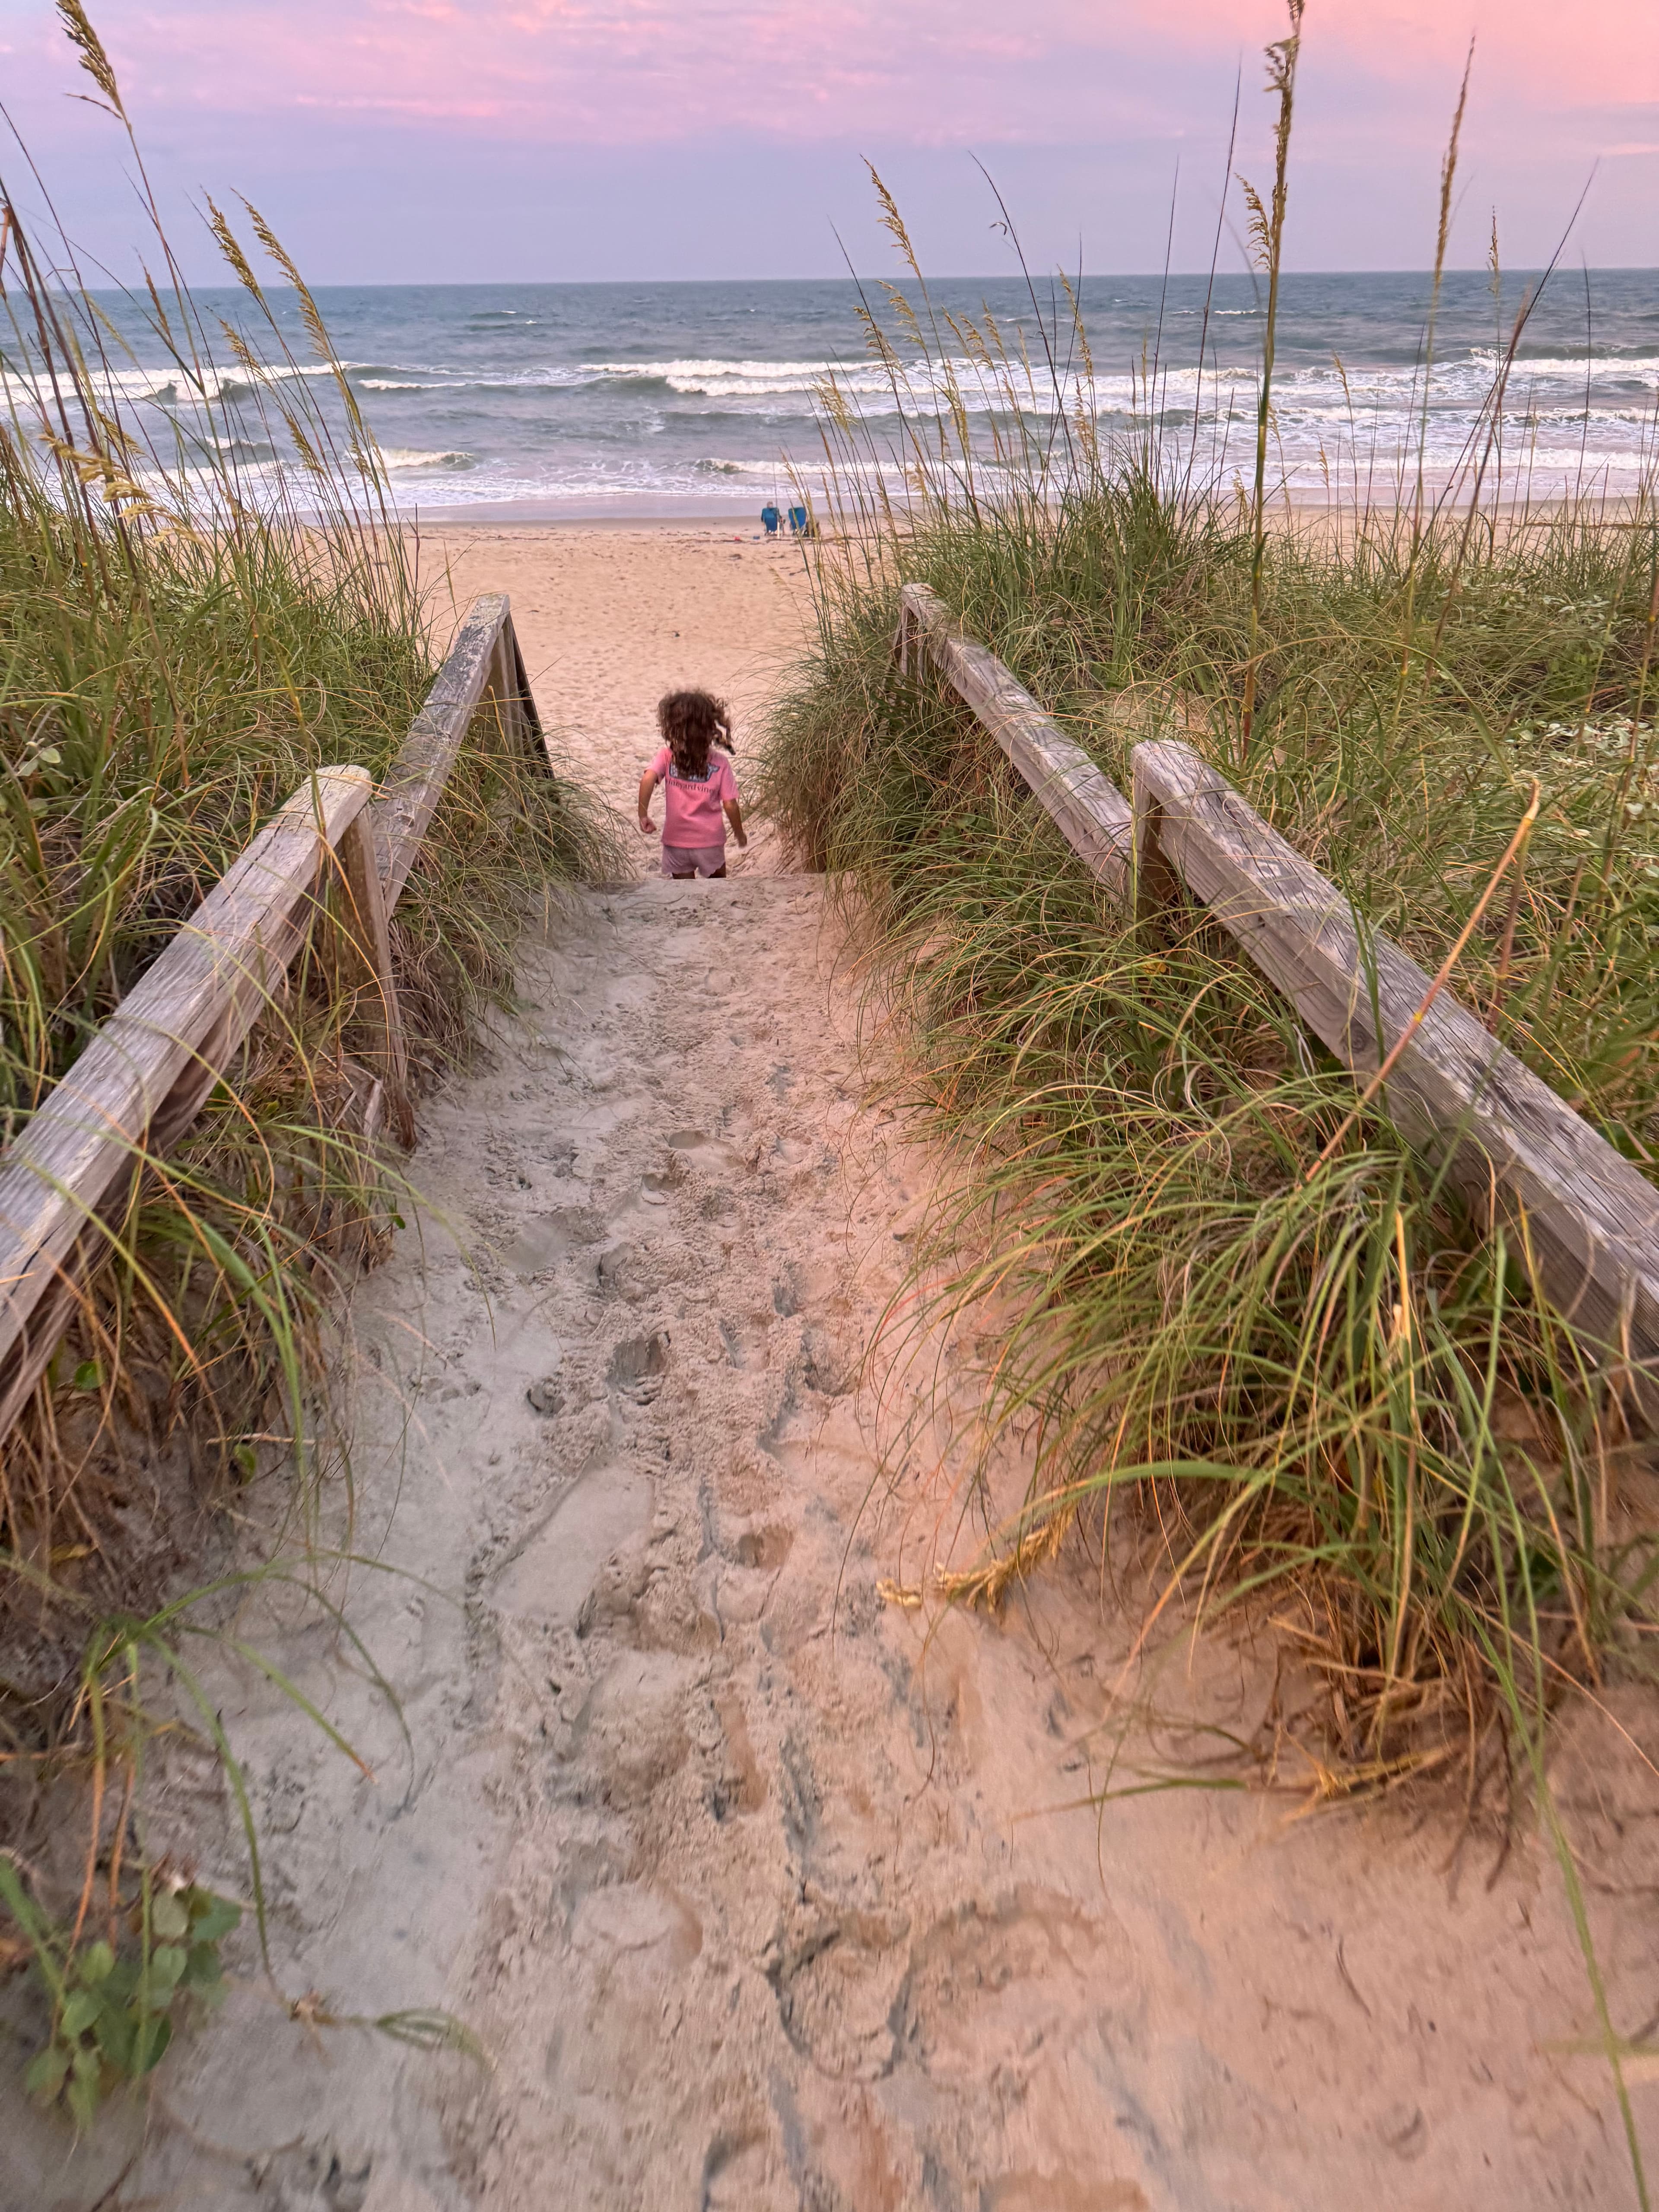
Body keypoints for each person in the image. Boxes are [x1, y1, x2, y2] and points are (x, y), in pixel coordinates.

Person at [638, 688, 747, 879]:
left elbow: (648, 779)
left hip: (677, 842)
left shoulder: (666, 757)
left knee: (685, 895)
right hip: (710, 843)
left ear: (672, 728)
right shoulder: (720, 764)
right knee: (718, 889)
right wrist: (739, 833)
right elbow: (730, 804)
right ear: (710, 728)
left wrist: (643, 814)